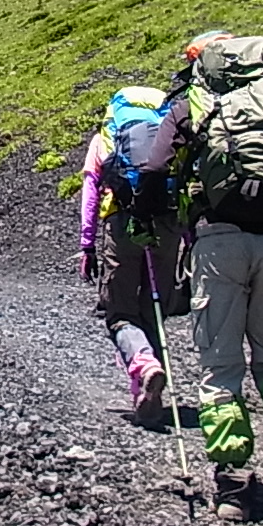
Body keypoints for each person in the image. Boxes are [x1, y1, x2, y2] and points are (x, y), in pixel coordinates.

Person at [134, 31, 263, 521]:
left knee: (221, 364)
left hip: (217, 241)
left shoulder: (196, 104)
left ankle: (232, 483)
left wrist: (147, 221)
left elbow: (153, 168)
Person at [78, 86, 173, 426]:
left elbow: (91, 192)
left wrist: (87, 244)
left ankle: (144, 365)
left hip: (122, 224)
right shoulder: (169, 127)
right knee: (154, 309)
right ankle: (150, 394)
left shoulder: (107, 136)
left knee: (119, 311)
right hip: (167, 224)